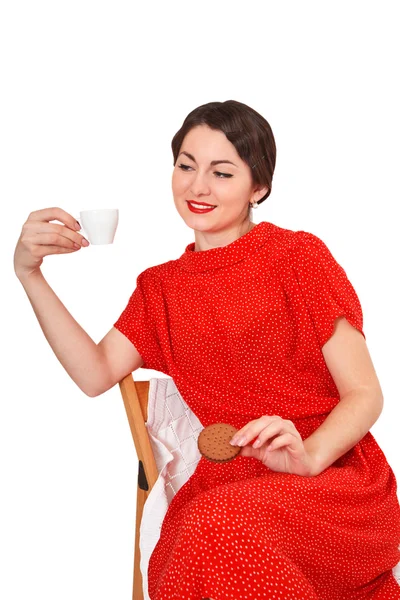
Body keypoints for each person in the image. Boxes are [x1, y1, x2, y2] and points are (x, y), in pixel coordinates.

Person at [14, 99, 400, 599]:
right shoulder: (161, 288)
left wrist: (309, 457)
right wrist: (29, 274)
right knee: (206, 528)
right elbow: (96, 373)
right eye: (185, 166)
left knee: (216, 527)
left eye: (222, 172)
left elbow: (365, 394)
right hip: (229, 483)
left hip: (330, 477)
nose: (197, 186)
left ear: (258, 186)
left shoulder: (299, 257)